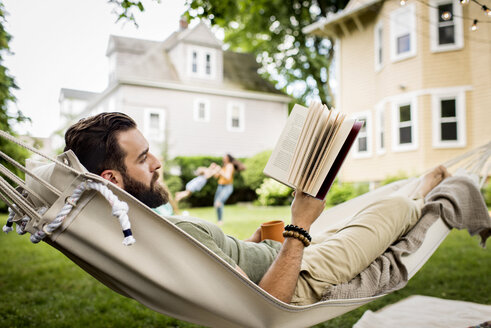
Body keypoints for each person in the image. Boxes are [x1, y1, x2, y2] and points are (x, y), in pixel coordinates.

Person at [64, 112, 450, 305]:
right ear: (112, 179)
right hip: (301, 272)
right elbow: (268, 306)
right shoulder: (160, 240)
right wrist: (299, 226)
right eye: (144, 158)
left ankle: (415, 189)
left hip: (286, 254)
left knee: (359, 214)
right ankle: (423, 191)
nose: (157, 163)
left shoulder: (144, 231)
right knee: (393, 208)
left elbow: (224, 267)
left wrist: (250, 242)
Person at [213, 154, 244, 224]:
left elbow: (227, 177)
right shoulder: (224, 166)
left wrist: (220, 170)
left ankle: (220, 221)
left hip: (227, 186)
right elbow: (215, 176)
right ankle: (219, 220)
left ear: (228, 158)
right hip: (220, 186)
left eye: (224, 157)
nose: (223, 158)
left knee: (219, 202)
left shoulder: (230, 165)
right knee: (216, 204)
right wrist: (215, 169)